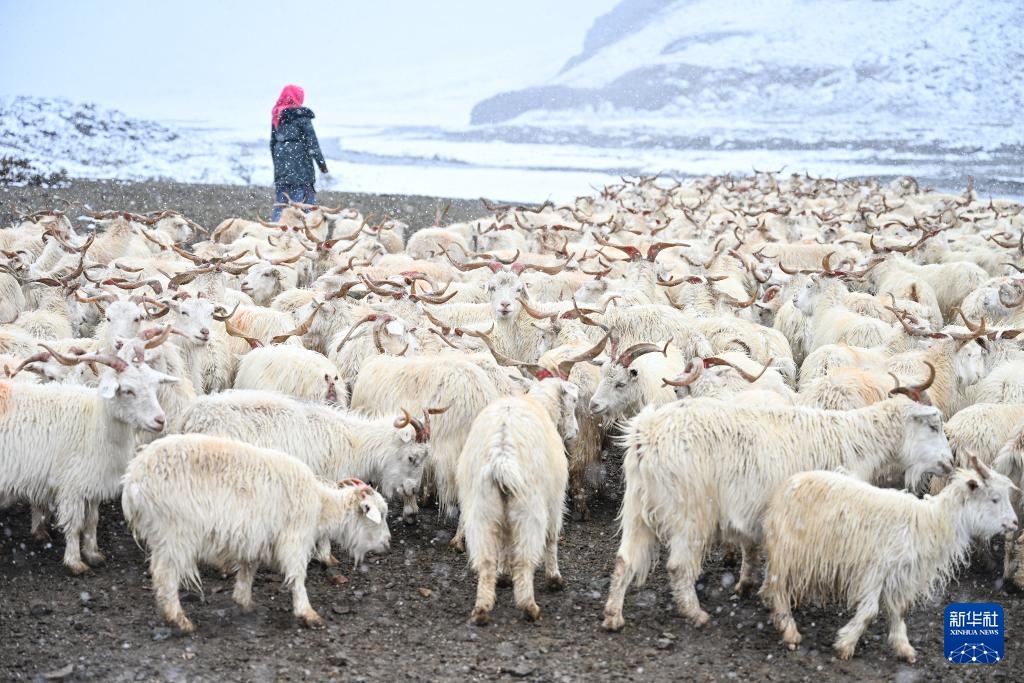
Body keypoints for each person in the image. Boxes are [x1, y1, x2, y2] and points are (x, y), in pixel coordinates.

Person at [269, 84, 328, 220]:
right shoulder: (302, 117)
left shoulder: (277, 116)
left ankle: (276, 230)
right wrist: (321, 164)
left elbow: (272, 144)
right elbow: (312, 143)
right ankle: (305, 232)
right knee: (304, 203)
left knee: (281, 203)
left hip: (282, 169)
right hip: (301, 168)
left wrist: (279, 165)